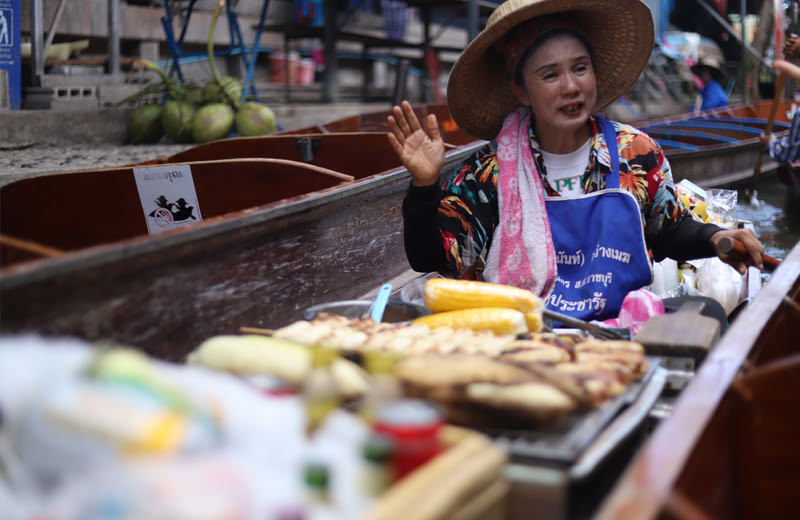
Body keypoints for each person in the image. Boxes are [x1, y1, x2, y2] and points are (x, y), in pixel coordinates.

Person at [387, 0, 765, 322]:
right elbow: (432, 257)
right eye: (550, 74)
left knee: (707, 314)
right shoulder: (490, 172)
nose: (571, 86)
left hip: (620, 325)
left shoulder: (635, 152)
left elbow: (666, 227)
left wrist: (716, 237)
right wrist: (424, 187)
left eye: (580, 68)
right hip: (527, 335)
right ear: (521, 89)